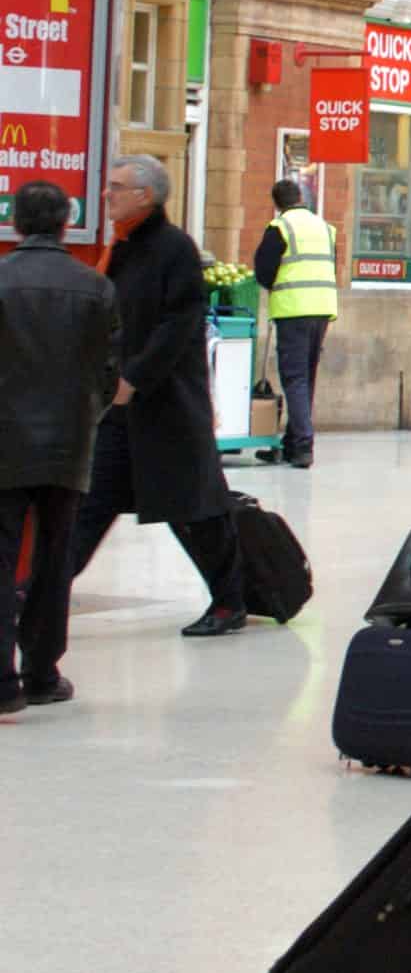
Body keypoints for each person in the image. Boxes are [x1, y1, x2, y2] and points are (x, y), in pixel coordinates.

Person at [67, 156, 252, 639]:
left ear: (145, 196)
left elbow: (179, 323)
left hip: (167, 404)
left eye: (117, 187)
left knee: (194, 510)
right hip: (119, 407)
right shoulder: (123, 247)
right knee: (88, 505)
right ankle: (38, 593)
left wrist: (136, 377)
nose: (107, 194)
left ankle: (230, 601)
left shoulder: (175, 249)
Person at [0, 182, 119, 712]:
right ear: (66, 224)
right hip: (69, 443)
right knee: (54, 557)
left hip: (4, 440)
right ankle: (43, 672)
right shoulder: (95, 288)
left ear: (16, 224)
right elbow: (109, 372)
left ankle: (3, 684)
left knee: (2, 558)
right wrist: (85, 417)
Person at [251, 178, 337, 468]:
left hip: (293, 310)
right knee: (306, 378)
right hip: (323, 308)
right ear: (301, 196)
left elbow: (263, 271)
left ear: (276, 203)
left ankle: (302, 446)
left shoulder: (280, 227)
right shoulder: (325, 227)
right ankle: (292, 443)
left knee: (294, 378)